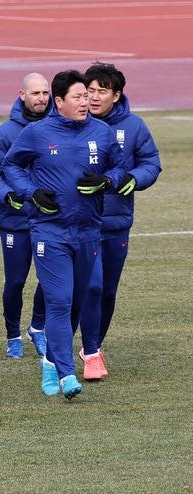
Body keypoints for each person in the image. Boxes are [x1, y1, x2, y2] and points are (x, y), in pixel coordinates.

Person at [2, 69, 127, 400]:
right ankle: (67, 373)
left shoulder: (102, 133)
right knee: (59, 300)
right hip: (49, 233)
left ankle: (48, 361)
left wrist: (107, 181)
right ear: (59, 102)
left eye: (87, 95)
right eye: (78, 96)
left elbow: (118, 167)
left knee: (78, 302)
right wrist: (31, 193)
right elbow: (10, 166)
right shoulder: (37, 133)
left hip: (88, 233)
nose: (85, 101)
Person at [84, 61, 161, 377]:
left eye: (103, 91)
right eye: (90, 90)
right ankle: (71, 347)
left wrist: (135, 178)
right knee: (89, 287)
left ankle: (94, 347)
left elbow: (151, 163)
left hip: (116, 223)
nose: (94, 97)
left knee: (107, 291)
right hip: (80, 224)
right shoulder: (73, 123)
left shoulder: (134, 127)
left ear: (116, 95)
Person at [0, 73, 50, 359]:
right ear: (22, 95)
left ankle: (38, 328)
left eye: (45, 93)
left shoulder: (58, 129)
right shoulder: (5, 133)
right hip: (15, 219)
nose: (41, 98)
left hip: (49, 220)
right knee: (16, 282)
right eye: (36, 93)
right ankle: (13, 336)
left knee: (50, 279)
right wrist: (7, 196)